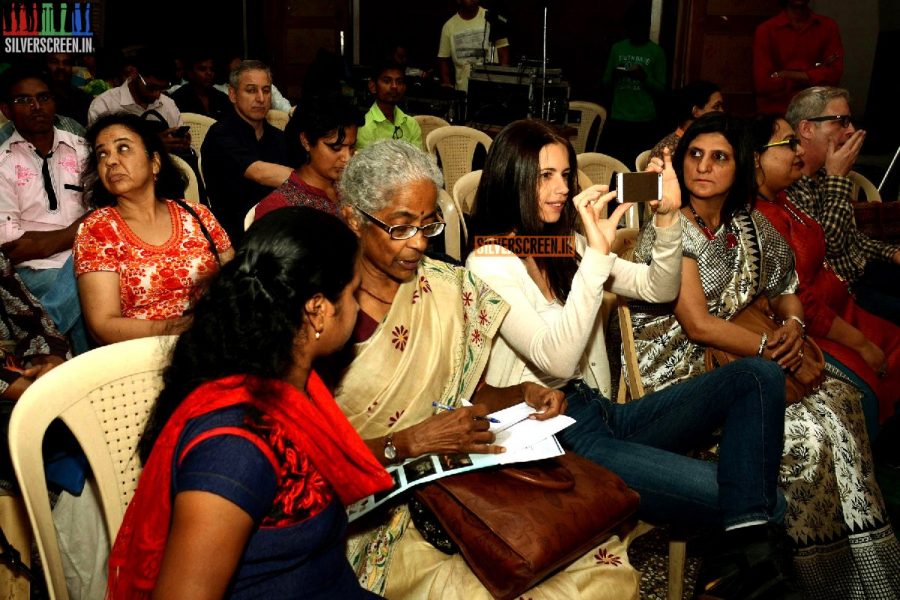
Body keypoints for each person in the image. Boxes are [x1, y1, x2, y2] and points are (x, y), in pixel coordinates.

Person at [466, 119, 791, 598]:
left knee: (759, 376)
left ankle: (741, 560)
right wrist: (596, 255)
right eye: (544, 176)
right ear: (512, 177)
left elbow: (658, 288)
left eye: (565, 174)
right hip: (553, 434)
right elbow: (554, 360)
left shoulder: (560, 245)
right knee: (766, 504)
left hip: (600, 411)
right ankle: (744, 563)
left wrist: (665, 220)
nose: (561, 189)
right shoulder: (489, 261)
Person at [334, 140, 639, 599]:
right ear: (354, 219)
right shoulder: (323, 312)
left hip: (460, 483)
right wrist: (409, 443)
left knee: (593, 566)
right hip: (377, 513)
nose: (419, 243)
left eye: (429, 225)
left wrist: (523, 392)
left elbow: (472, 392)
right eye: (400, 228)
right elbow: (302, 460)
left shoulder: (444, 287)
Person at [627, 112, 900, 598]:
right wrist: (767, 346)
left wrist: (792, 325)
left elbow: (786, 287)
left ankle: (860, 576)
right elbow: (697, 324)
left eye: (719, 157)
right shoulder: (670, 228)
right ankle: (788, 571)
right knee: (807, 438)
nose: (703, 167)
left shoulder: (746, 222)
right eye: (694, 155)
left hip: (744, 361)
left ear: (740, 167)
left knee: (841, 406)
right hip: (681, 371)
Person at [107, 207, 392, 598]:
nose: (359, 307)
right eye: (353, 292)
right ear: (319, 311)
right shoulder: (236, 449)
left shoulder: (287, 387)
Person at [752, 114, 900, 435]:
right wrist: (860, 343)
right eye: (789, 144)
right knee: (868, 388)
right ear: (756, 159)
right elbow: (800, 298)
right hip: (813, 330)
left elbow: (832, 246)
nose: (800, 152)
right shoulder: (757, 216)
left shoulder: (784, 197)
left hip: (843, 310)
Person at [74, 113, 233, 346]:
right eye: (102, 154)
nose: (111, 161)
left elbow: (235, 282)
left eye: (123, 148)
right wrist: (183, 328)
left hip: (216, 343)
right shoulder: (97, 230)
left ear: (155, 162)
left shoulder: (197, 215)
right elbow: (104, 325)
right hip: (142, 357)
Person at [785, 87, 900, 327]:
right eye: (841, 121)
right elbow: (828, 246)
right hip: (843, 293)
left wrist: (892, 252)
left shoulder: (823, 174)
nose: (851, 131)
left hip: (864, 272)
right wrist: (838, 178)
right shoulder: (789, 184)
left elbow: (851, 237)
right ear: (806, 129)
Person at [0, 67, 90, 354]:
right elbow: (13, 247)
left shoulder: (84, 150)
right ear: (6, 110)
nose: (36, 107)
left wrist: (46, 241)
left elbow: (108, 215)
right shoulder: (2, 163)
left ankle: (42, 342)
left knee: (90, 278)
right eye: (23, 100)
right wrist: (75, 232)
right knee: (88, 285)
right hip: (35, 271)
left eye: (43, 97)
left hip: (93, 257)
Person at [202, 59, 290, 243]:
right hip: (234, 237)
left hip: (278, 231)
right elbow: (259, 173)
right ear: (232, 94)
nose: (260, 98)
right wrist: (311, 180)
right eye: (251, 90)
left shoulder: (278, 137)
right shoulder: (220, 134)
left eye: (266, 91)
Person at [254, 95, 362, 220]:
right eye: (336, 147)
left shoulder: (351, 188)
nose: (347, 158)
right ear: (306, 141)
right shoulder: (279, 208)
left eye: (352, 147)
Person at [87, 52, 190, 156]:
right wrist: (154, 145)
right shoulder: (105, 104)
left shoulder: (168, 104)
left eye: (162, 89)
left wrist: (180, 143)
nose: (157, 95)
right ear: (134, 73)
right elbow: (99, 151)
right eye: (151, 88)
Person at [601, 2, 667, 165]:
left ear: (647, 27)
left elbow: (662, 90)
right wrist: (617, 74)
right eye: (633, 26)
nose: (637, 30)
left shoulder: (656, 52)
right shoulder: (617, 48)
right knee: (616, 164)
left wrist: (643, 77)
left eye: (641, 26)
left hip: (644, 120)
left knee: (638, 166)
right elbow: (605, 82)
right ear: (628, 27)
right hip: (619, 117)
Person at [753, 0, 843, 114]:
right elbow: (763, 84)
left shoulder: (828, 27)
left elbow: (834, 75)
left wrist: (788, 74)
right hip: (776, 114)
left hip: (817, 111)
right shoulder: (766, 30)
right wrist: (814, 76)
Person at [437, 0, 510, 92]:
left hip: (491, 89)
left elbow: (503, 49)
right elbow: (443, 59)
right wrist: (446, 84)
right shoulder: (449, 26)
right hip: (463, 90)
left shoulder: (491, 17)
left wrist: (504, 82)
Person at [355, 59, 422, 151]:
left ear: (404, 88)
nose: (394, 86)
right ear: (373, 86)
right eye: (387, 81)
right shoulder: (364, 127)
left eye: (399, 82)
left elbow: (418, 162)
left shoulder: (411, 124)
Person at [649, 80, 723, 160]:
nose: (722, 111)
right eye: (716, 107)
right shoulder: (671, 151)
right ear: (696, 112)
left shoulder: (698, 143)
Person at [170, 52, 233, 120]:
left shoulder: (222, 98)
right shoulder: (178, 98)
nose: (209, 73)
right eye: (202, 69)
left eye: (211, 69)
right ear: (190, 73)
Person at [44, 52, 93, 126]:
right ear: (46, 65)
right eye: (55, 62)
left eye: (66, 63)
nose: (61, 67)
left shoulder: (84, 98)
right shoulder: (40, 99)